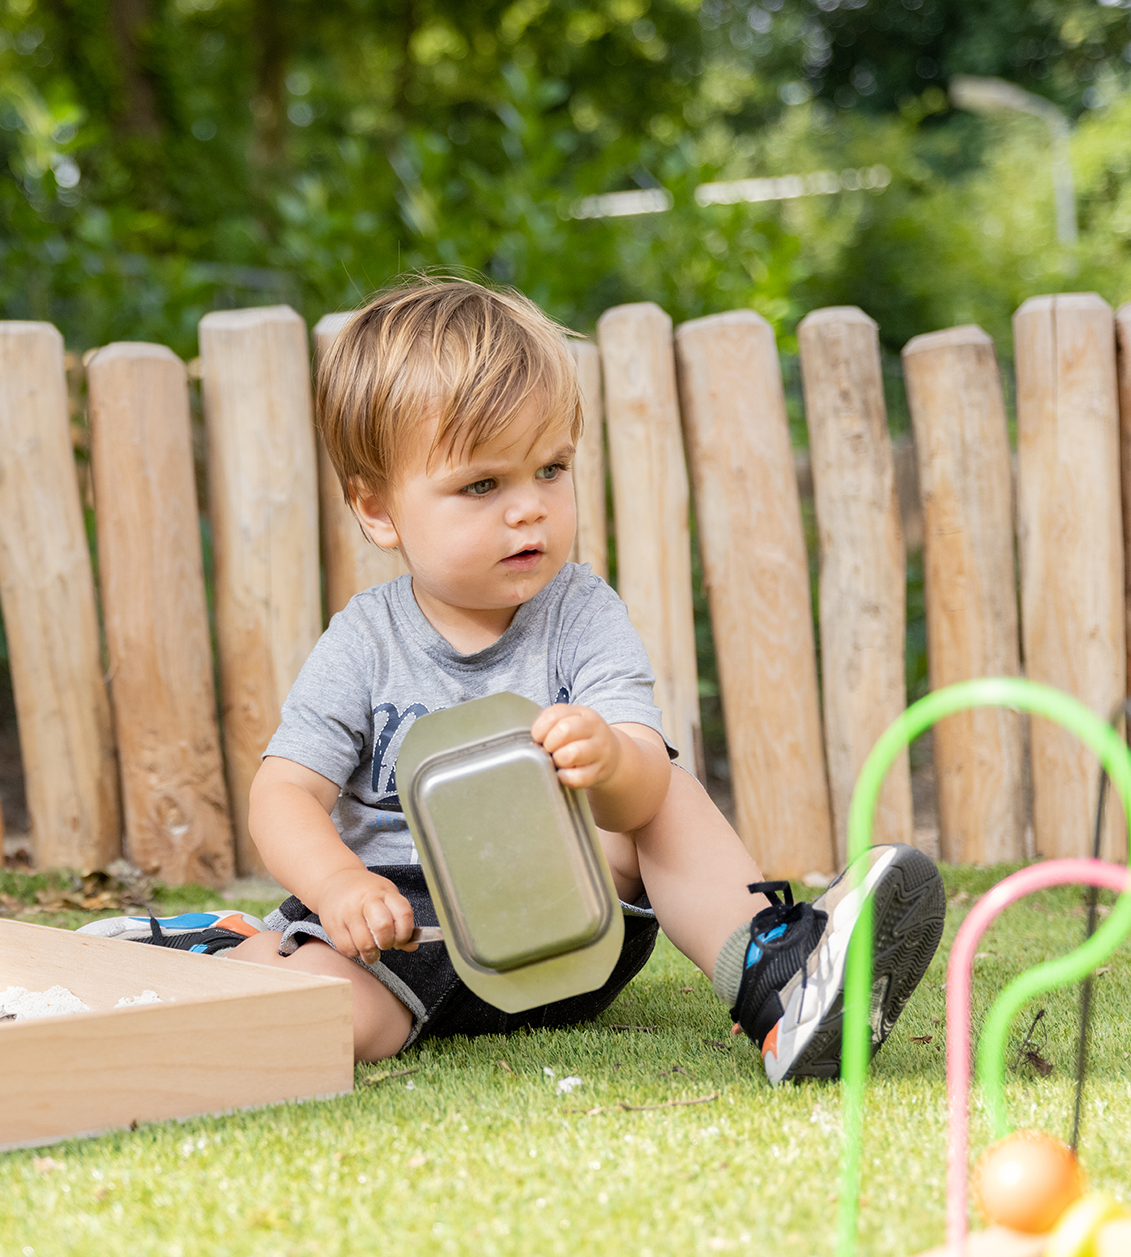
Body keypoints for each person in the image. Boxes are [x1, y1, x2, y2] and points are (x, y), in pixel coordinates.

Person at [90, 276, 945, 1077]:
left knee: (663, 786)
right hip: (403, 934)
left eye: (550, 469)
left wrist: (611, 761)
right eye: (482, 484)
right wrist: (338, 887)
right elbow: (282, 796)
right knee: (322, 1023)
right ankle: (216, 950)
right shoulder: (361, 642)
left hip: (570, 923)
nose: (528, 506)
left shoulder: (580, 611)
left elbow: (638, 779)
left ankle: (775, 980)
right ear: (378, 509)